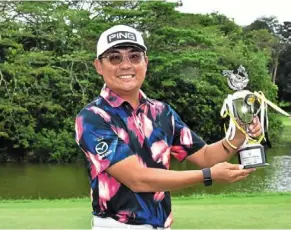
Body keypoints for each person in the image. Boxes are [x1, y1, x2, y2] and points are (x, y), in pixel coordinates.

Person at [75, 25, 261, 230]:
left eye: (134, 56)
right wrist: (208, 176)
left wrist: (238, 133)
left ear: (145, 62)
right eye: (115, 58)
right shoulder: (92, 117)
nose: (126, 65)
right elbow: (138, 179)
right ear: (98, 66)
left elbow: (206, 156)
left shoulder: (161, 111)